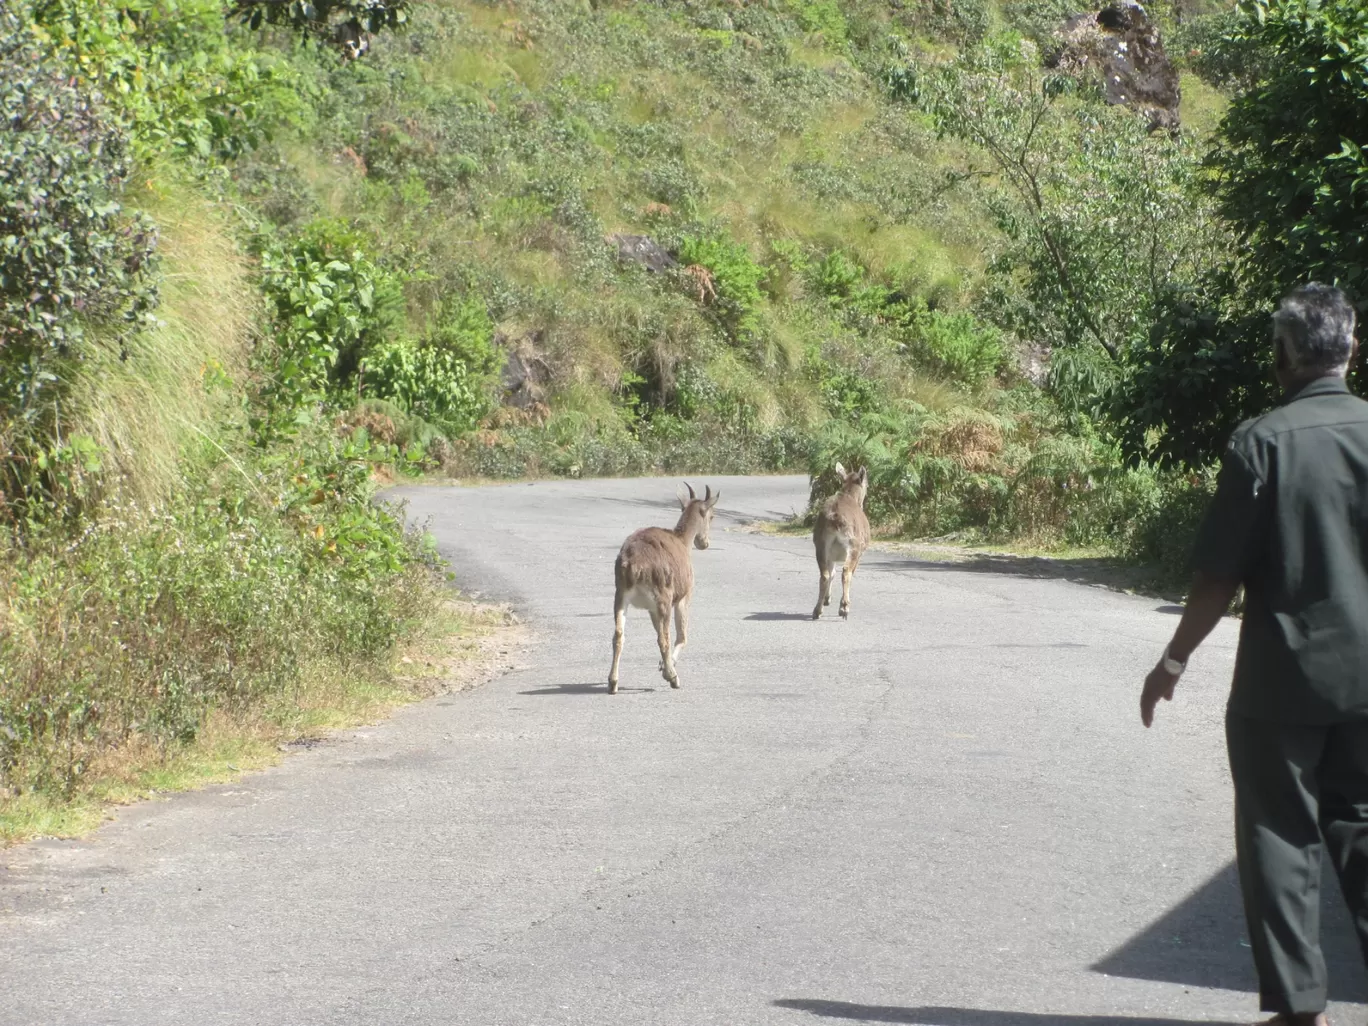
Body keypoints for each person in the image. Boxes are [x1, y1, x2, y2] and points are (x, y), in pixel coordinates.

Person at [1140, 283, 1368, 1026]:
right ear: (1351, 348)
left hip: (1283, 683)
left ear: (1283, 355)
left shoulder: (1261, 442)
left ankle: (1301, 1009)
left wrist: (1172, 663)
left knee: (1279, 831)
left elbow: (1217, 578)